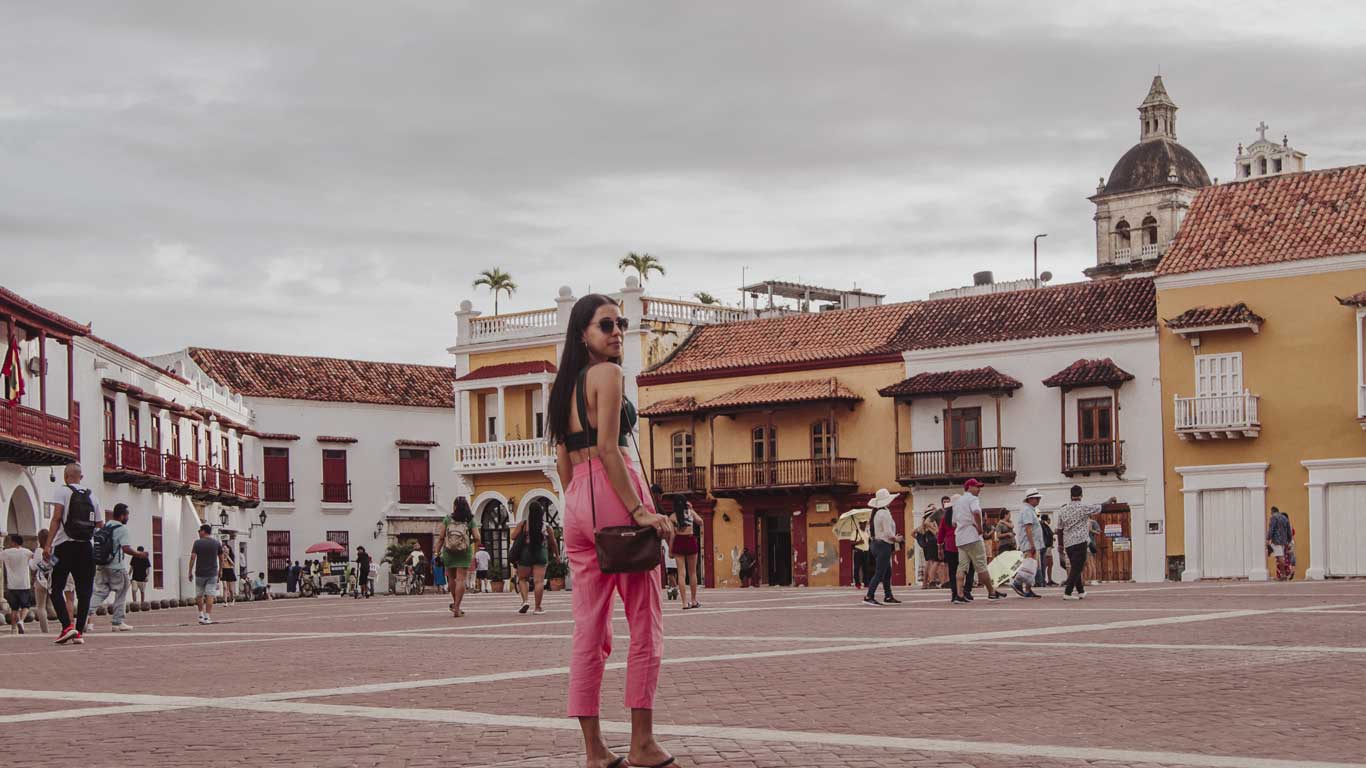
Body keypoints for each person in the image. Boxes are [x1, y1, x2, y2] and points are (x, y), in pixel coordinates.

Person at [549, 293, 676, 768]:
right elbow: (608, 448)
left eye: (620, 323)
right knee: (645, 624)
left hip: (577, 501)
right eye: (606, 325)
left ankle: (594, 750)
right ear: (583, 334)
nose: (617, 331)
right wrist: (638, 510)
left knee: (589, 629)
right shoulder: (609, 374)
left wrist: (581, 506)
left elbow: (565, 459)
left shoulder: (562, 389)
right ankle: (642, 743)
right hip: (613, 491)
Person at [46, 462, 102, 645]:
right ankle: (78, 632)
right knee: (85, 592)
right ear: (81, 477)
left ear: (65, 476)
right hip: (86, 547)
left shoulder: (62, 491)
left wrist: (47, 545)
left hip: (65, 545)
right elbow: (99, 524)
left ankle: (66, 626)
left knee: (56, 588)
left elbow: (56, 519)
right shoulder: (92, 495)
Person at [91, 503, 147, 631]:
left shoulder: (106, 526)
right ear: (122, 516)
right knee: (122, 591)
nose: (128, 517)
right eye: (127, 515)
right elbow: (126, 548)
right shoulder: (122, 529)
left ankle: (84, 615)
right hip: (116, 566)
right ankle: (117, 622)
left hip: (102, 565)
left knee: (100, 593)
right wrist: (140, 554)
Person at [1056, 485, 1116, 600]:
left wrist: (1060, 544)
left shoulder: (1062, 510)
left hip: (1068, 542)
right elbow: (1099, 507)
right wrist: (1109, 500)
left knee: (1075, 566)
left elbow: (1059, 528)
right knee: (1078, 567)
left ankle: (1081, 591)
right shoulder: (1083, 507)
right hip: (1080, 541)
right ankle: (1067, 592)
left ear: (1070, 496)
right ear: (1081, 495)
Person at [952, 479, 1007, 603]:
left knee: (961, 566)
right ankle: (991, 592)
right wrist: (979, 528)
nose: (979, 490)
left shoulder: (958, 502)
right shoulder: (972, 499)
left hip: (960, 538)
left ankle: (959, 594)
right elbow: (976, 512)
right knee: (981, 566)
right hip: (973, 536)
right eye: (977, 487)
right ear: (969, 487)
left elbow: (953, 523)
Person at [511, 500, 558, 616]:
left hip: (525, 553)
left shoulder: (523, 524)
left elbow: (513, 536)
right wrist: (557, 555)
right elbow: (553, 543)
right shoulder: (546, 527)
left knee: (522, 579)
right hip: (541, 552)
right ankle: (538, 608)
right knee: (539, 581)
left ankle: (525, 601)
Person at [438, 497, 480, 618]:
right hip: (464, 552)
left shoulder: (447, 519)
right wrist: (468, 541)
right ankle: (457, 607)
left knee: (451, 579)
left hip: (449, 552)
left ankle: (456, 606)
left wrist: (437, 552)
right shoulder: (470, 520)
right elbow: (477, 537)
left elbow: (441, 537)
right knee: (461, 579)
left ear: (455, 506)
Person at [862, 488, 903, 607]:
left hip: (876, 544)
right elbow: (888, 533)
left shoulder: (876, 513)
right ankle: (869, 596)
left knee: (887, 572)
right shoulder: (884, 513)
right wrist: (897, 538)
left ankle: (888, 595)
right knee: (880, 572)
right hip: (883, 545)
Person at [670, 497, 703, 610]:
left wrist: (670, 550)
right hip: (690, 540)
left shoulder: (672, 517)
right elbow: (700, 522)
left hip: (679, 541)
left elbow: (672, 535)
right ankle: (693, 601)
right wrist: (692, 509)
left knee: (681, 573)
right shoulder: (690, 513)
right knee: (692, 573)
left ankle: (684, 603)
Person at [1011, 490, 1044, 599]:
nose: (1039, 500)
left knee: (1032, 566)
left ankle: (1028, 589)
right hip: (1030, 542)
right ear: (1030, 499)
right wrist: (1032, 544)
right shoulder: (1027, 511)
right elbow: (1028, 528)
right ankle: (1017, 582)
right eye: (1036, 498)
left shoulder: (1030, 510)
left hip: (1032, 542)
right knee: (1028, 564)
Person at [188, 524, 222, 624]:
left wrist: (190, 571)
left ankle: (200, 615)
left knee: (199, 595)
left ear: (204, 531)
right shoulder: (216, 543)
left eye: (200, 531)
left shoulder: (197, 543)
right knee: (210, 595)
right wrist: (220, 570)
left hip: (199, 573)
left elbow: (193, 557)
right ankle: (207, 617)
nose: (199, 533)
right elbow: (221, 558)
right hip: (212, 573)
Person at [3, 533, 35, 634]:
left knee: (14, 608)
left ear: (13, 542)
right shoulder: (27, 552)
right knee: (26, 606)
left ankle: (13, 628)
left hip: (12, 584)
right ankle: (21, 621)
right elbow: (34, 561)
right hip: (24, 583)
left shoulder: (6, 552)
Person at [914, 506, 945, 589]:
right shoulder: (930, 522)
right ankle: (931, 581)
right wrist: (936, 531)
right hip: (933, 543)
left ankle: (926, 583)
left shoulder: (922, 525)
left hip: (927, 544)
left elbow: (914, 533)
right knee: (936, 561)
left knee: (929, 563)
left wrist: (920, 540)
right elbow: (936, 532)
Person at [30, 529, 53, 634]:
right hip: (51, 579)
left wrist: (30, 560)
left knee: (40, 607)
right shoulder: (53, 549)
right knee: (50, 605)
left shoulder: (39, 550)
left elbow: (34, 566)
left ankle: (45, 630)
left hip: (41, 579)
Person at [1267, 506, 1293, 581]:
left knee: (1280, 557)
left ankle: (1283, 575)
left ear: (1272, 511)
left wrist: (1268, 538)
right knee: (1279, 556)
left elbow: (1271, 529)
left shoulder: (1273, 517)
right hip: (1284, 541)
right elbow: (1289, 530)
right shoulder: (1284, 518)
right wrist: (1289, 540)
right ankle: (1282, 574)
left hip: (1276, 540)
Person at [1039, 515, 1057, 587]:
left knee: (1050, 563)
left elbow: (1049, 535)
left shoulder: (1046, 526)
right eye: (1049, 519)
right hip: (1046, 547)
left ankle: (1049, 579)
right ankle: (1043, 579)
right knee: (1045, 563)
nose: (1050, 521)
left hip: (1049, 546)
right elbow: (1046, 535)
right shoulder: (1043, 525)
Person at [851, 520, 869, 589]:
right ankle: (857, 583)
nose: (864, 525)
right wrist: (858, 542)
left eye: (865, 523)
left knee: (866, 568)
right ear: (859, 524)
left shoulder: (867, 532)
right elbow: (851, 543)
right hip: (858, 551)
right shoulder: (855, 532)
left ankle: (866, 583)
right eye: (862, 523)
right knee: (857, 568)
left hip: (866, 551)